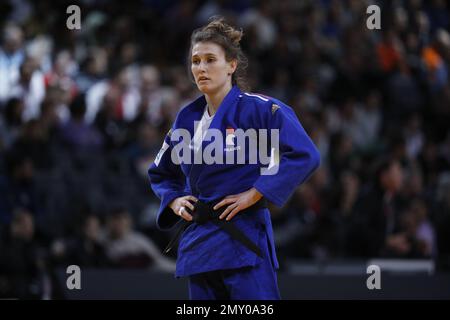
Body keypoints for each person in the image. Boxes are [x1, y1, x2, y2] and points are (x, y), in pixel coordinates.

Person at [148, 17, 320, 300]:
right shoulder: (186, 118)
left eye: (210, 60)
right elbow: (161, 171)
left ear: (231, 65)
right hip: (199, 246)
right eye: (195, 60)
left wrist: (256, 192)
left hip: (243, 241)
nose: (200, 68)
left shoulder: (260, 110)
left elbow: (306, 155)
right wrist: (174, 199)